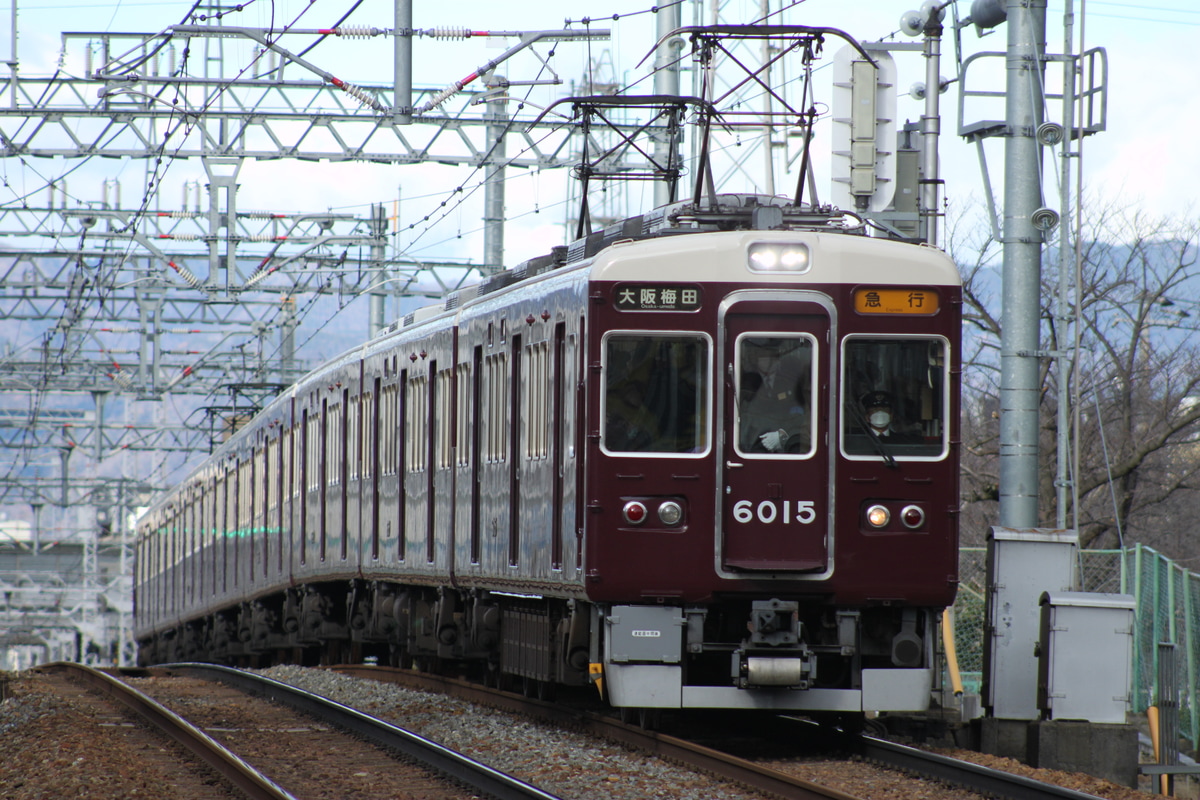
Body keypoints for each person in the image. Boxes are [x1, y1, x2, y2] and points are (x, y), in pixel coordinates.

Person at [738, 339, 811, 454]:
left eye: (772, 358)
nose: (768, 362)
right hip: (752, 442)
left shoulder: (790, 382)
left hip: (783, 443)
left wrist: (783, 433)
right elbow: (744, 413)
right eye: (763, 358)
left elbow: (799, 412)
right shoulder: (747, 382)